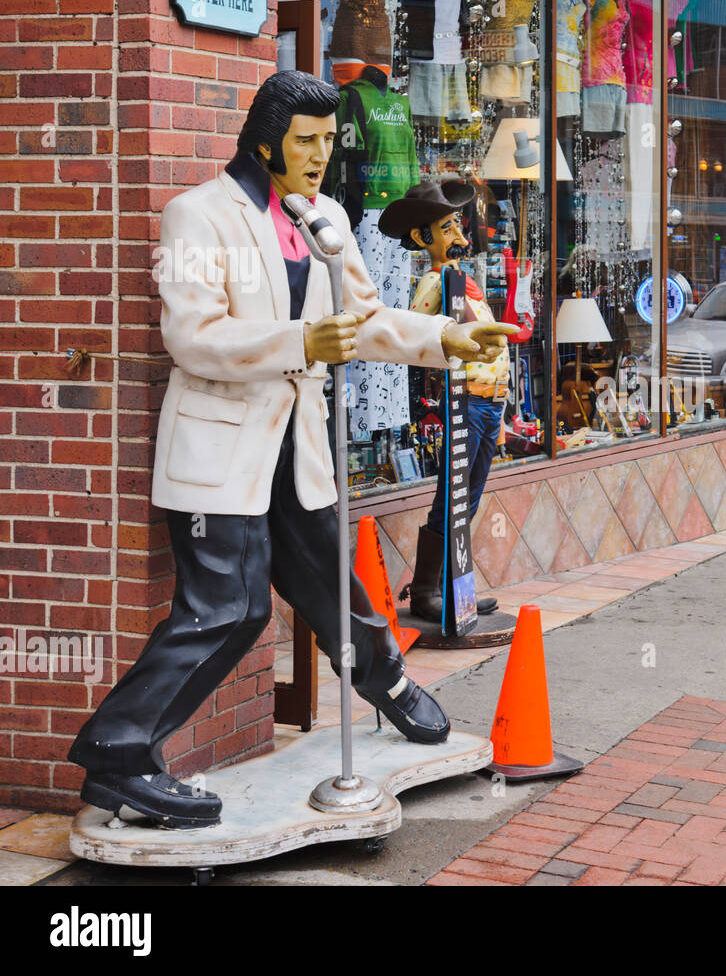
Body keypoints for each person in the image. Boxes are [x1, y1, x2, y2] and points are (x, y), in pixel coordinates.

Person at [67, 71, 516, 829]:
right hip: (221, 454)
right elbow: (191, 335)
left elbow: (367, 320)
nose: (319, 155)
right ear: (265, 138)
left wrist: (444, 336)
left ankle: (390, 684)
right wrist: (301, 341)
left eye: (327, 140)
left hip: (296, 448)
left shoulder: (327, 219)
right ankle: (118, 750)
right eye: (305, 140)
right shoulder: (197, 216)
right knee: (229, 610)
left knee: (333, 586)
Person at [378, 179, 506, 619]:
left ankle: (457, 589)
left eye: (458, 227)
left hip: (490, 402)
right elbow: (414, 329)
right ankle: (429, 591)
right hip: (466, 401)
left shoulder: (462, 280)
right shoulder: (437, 281)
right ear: (422, 238)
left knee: (468, 498)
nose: (460, 237)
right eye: (448, 228)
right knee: (452, 499)